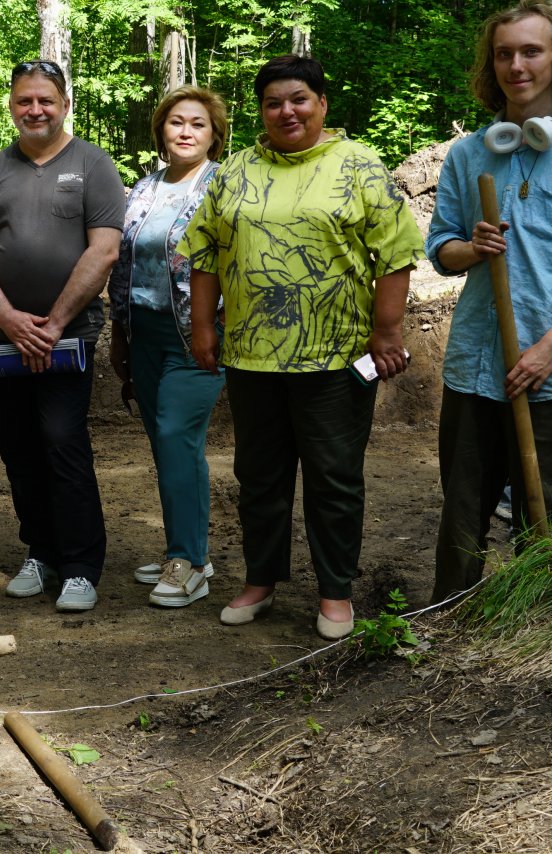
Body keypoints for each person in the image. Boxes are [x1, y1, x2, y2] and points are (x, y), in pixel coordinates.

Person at [179, 55, 424, 640]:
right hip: (251, 355)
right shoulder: (235, 170)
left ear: (321, 104)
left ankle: (335, 592)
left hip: (336, 358)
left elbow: (395, 253)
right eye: (272, 102)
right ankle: (260, 580)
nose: (285, 111)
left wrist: (387, 333)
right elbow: (206, 251)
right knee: (259, 475)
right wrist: (203, 326)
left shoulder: (359, 165)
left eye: (298, 99)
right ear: (260, 112)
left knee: (333, 477)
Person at [427, 0, 552, 602]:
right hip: (474, 363)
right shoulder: (469, 153)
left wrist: (549, 349)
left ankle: (545, 629)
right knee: (462, 507)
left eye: (531, 51)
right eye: (504, 53)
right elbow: (440, 248)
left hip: (551, 371)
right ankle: (448, 618)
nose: (517, 65)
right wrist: (472, 246)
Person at [0, 59, 125, 614]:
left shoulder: (93, 165)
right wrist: (8, 319)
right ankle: (41, 551)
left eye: (46, 101)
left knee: (62, 442)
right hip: (6, 338)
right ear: (11, 104)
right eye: (25, 100)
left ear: (64, 104)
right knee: (17, 445)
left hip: (68, 336)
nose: (35, 110)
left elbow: (103, 249)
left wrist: (50, 325)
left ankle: (80, 564)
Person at [108, 86, 227, 610]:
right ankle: (184, 546)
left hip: (199, 335)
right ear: (161, 131)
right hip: (145, 334)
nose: (185, 131)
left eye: (198, 124)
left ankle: (191, 562)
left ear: (214, 136)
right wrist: (119, 332)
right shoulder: (143, 188)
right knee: (165, 443)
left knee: (178, 435)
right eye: (176, 122)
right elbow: (123, 262)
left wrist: (212, 327)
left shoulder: (225, 187)